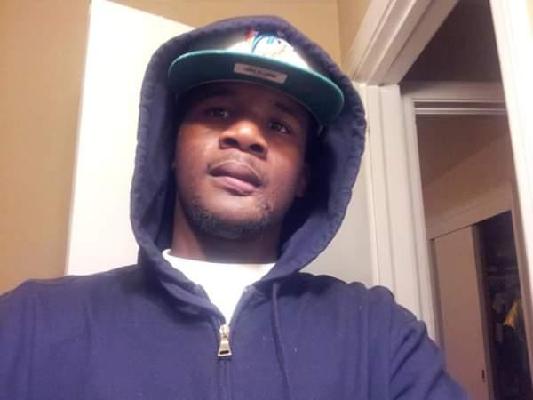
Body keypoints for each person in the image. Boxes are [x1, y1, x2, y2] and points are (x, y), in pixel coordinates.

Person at [0, 15, 466, 399]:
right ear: (171, 149)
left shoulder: (379, 336)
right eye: (218, 111)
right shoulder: (32, 324)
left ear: (305, 178)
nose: (245, 134)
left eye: (279, 126)